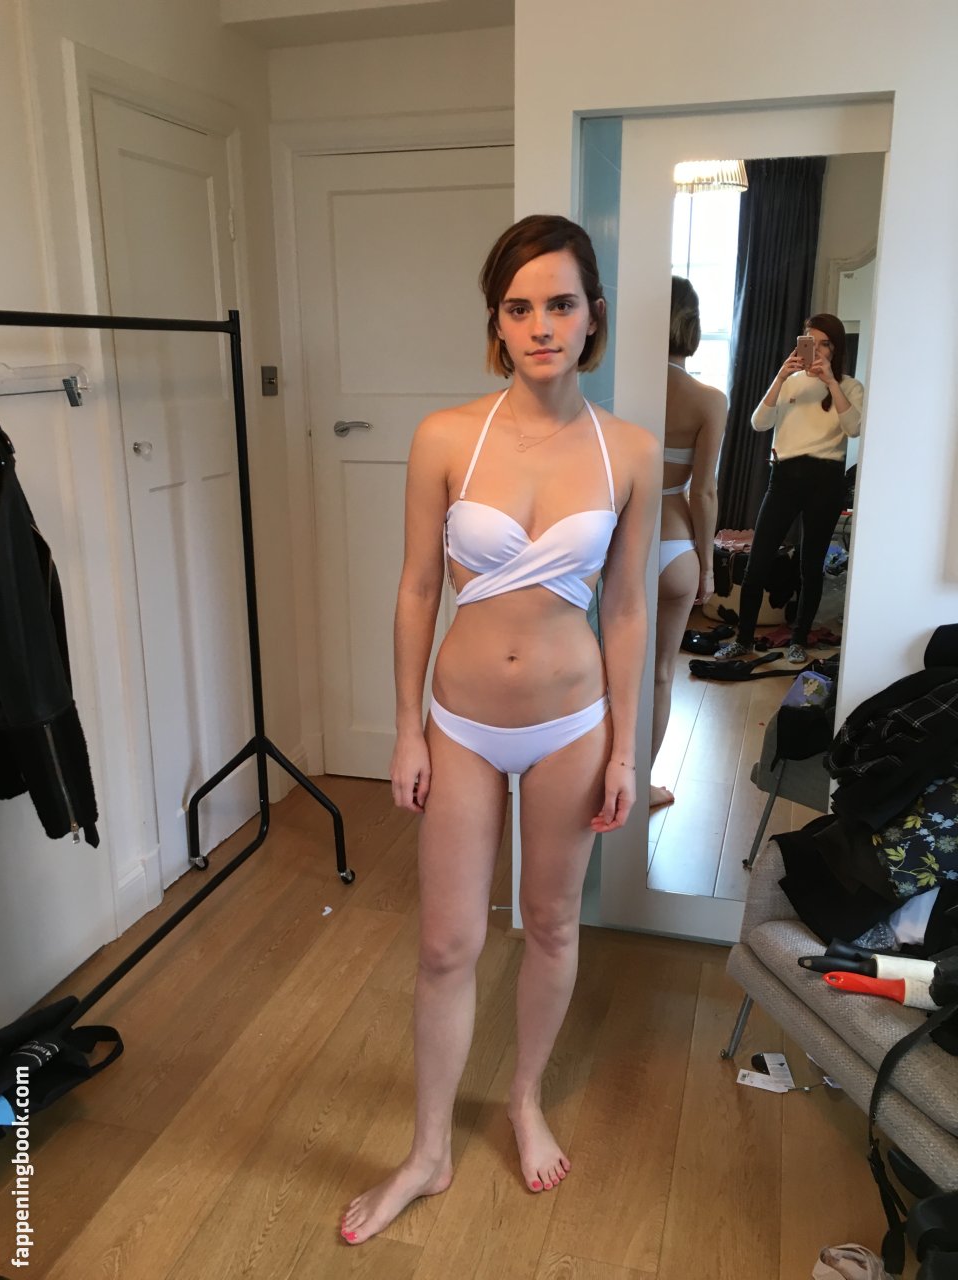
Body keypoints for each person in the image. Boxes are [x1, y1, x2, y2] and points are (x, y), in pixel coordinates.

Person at [341, 215, 660, 1246]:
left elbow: (626, 610)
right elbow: (416, 588)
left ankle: (524, 1098)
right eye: (519, 308)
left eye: (560, 304)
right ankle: (428, 1151)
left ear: (593, 315)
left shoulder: (629, 450)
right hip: (462, 723)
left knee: (553, 925)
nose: (540, 326)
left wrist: (626, 749)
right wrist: (405, 730)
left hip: (572, 723)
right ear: (497, 322)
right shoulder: (446, 437)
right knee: (447, 943)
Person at [716, 314, 863, 666]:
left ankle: (799, 639)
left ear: (836, 348)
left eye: (825, 343)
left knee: (810, 566)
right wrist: (780, 376)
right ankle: (744, 639)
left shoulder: (849, 386)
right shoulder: (790, 382)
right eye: (811, 342)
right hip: (784, 477)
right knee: (757, 561)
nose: (818, 350)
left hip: (826, 480)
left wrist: (831, 382)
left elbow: (854, 428)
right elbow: (758, 423)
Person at [649, 277, 727, 809]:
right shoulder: (708, 400)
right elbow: (703, 492)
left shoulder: (616, 390)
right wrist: (708, 567)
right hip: (674, 547)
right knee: (659, 676)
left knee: (604, 676)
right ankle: (642, 786)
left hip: (614, 544)